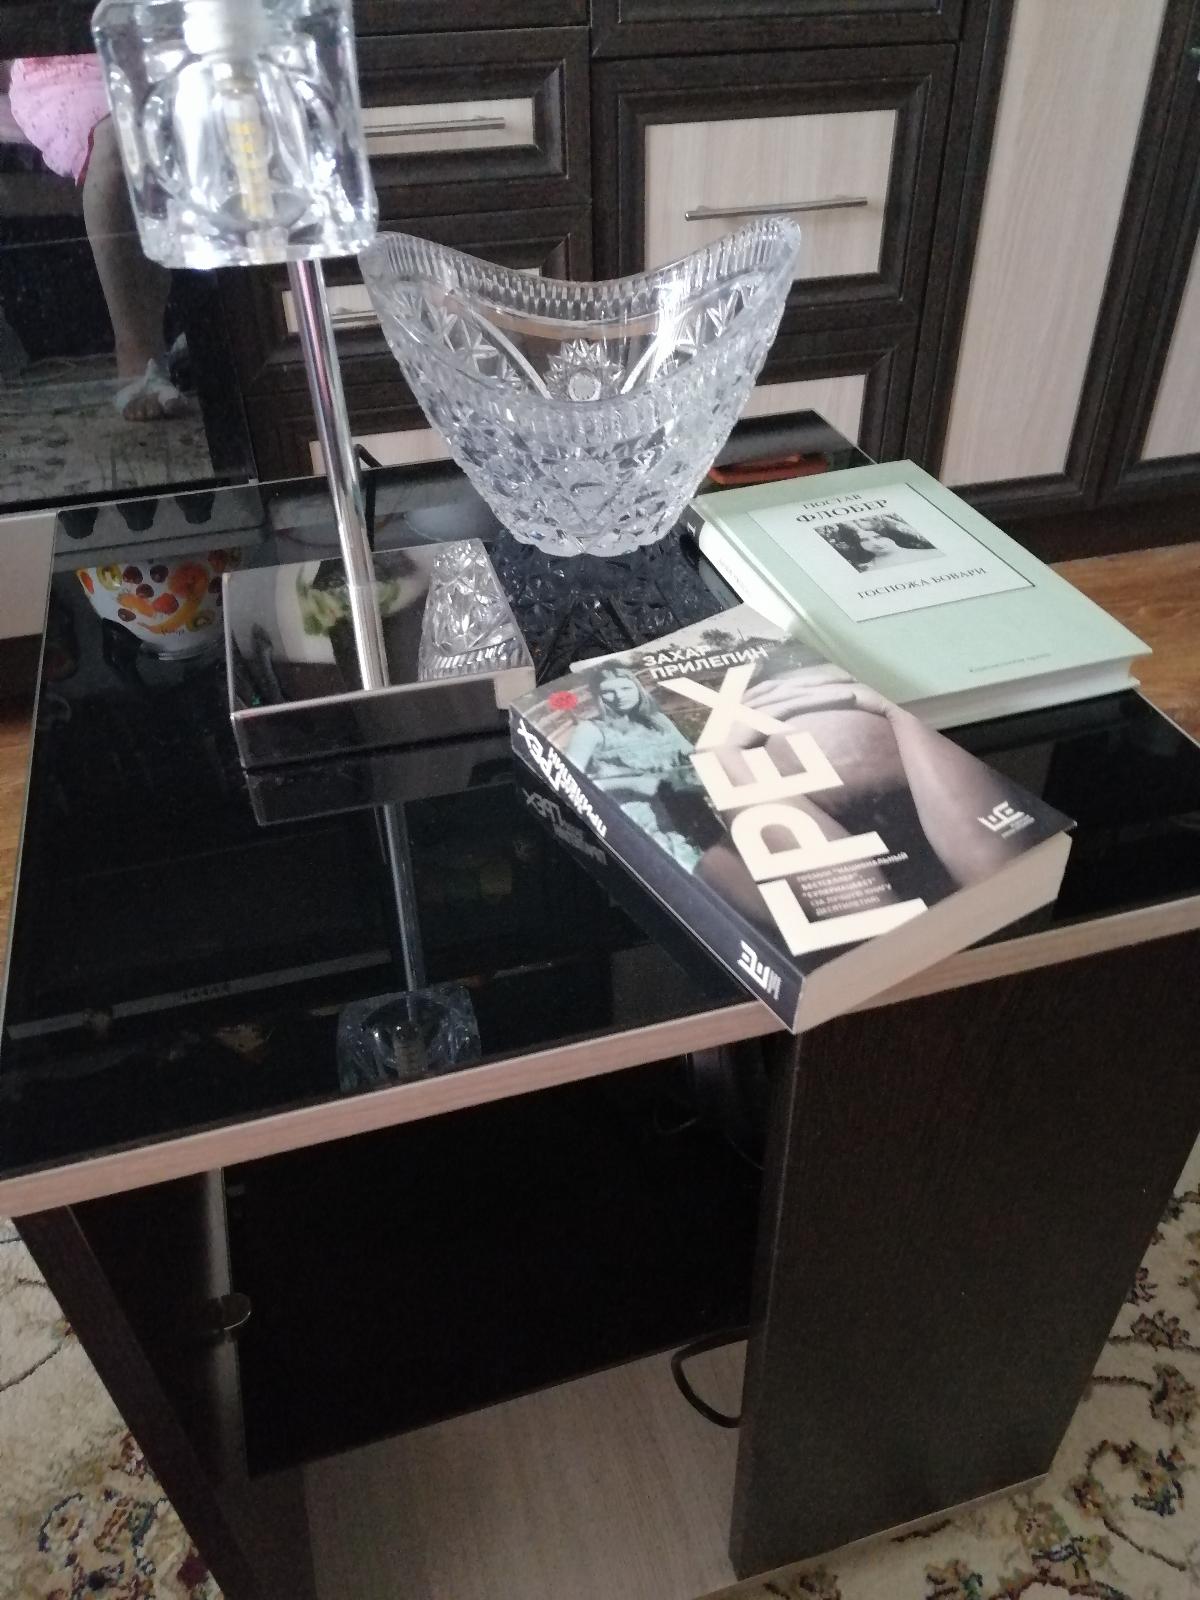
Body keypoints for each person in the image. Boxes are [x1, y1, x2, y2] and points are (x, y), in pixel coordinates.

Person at [693, 661, 1042, 926]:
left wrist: (900, 712)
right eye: (835, 815)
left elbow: (1000, 879)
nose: (879, 819)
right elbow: (873, 922)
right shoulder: (722, 865)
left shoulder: (950, 771)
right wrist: (725, 760)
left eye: (897, 800)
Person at [6, 54, 186, 421]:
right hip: (62, 70)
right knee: (120, 139)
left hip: (160, 51)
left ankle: (206, 324)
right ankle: (136, 352)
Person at [564, 665, 710, 869]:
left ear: (637, 688)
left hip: (684, 803)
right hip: (639, 815)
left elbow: (689, 753)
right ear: (599, 696)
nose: (619, 696)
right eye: (609, 692)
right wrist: (632, 783)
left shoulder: (657, 720)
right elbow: (566, 780)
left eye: (626, 688)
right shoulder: (590, 730)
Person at [817, 518, 936, 574]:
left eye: (878, 537)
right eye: (865, 540)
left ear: (890, 536)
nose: (875, 543)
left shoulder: (931, 554)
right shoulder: (867, 570)